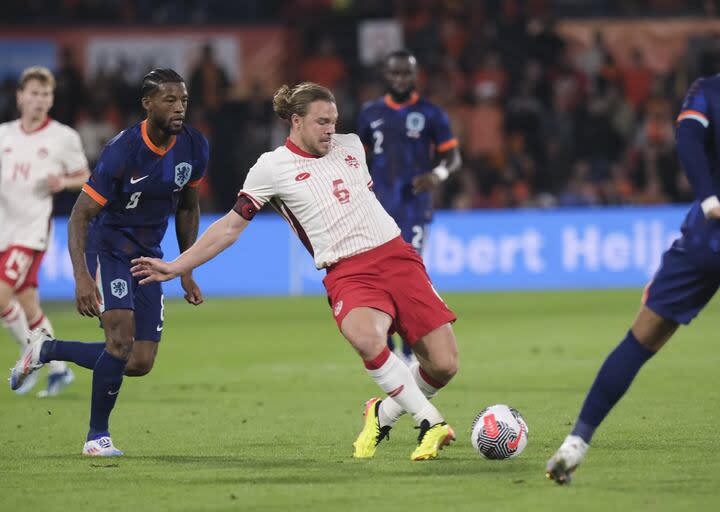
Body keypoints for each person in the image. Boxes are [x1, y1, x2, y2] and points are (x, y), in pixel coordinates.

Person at [131, 82, 459, 461]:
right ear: (296, 121)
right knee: (367, 338)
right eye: (322, 122)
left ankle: (380, 414)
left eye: (334, 121)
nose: (330, 130)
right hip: (349, 271)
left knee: (444, 364)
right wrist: (177, 265)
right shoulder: (271, 168)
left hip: (397, 257)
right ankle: (430, 422)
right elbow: (230, 227)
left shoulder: (351, 147)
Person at [546, 15, 720, 485]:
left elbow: (686, 136)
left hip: (705, 237)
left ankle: (576, 442)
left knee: (640, 340)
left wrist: (711, 202)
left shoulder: (710, 88)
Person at [10, 69, 208, 457]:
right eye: (169, 100)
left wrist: (186, 268)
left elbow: (188, 206)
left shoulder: (195, 146)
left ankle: (48, 351)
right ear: (147, 104)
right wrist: (82, 277)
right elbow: (81, 216)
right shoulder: (122, 152)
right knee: (118, 340)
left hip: (150, 257)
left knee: (139, 361)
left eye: (183, 99)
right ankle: (96, 438)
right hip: (110, 250)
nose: (179, 107)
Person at [357, 50, 461, 362]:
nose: (401, 79)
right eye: (395, 73)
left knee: (408, 277)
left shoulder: (432, 113)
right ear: (386, 76)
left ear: (415, 76)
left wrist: (437, 175)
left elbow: (453, 158)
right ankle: (387, 348)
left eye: (407, 74)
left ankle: (409, 349)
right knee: (379, 279)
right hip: (376, 209)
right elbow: (356, 160)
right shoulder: (369, 113)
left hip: (414, 207)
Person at [0, 66, 89, 397]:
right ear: (20, 96)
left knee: (1, 297)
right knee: (30, 307)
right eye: (34, 93)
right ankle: (59, 368)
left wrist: (63, 182)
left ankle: (31, 358)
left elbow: (86, 177)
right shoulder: (4, 134)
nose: (40, 100)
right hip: (3, 230)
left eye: (46, 94)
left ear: (51, 100)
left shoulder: (63, 137)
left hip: (31, 231)